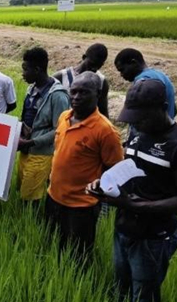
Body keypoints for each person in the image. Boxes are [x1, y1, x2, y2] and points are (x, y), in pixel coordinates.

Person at [87, 79, 177, 302]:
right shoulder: (138, 131)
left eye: (143, 116)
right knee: (121, 288)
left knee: (144, 298)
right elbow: (129, 170)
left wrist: (140, 207)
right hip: (124, 227)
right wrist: (103, 185)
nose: (137, 122)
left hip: (153, 237)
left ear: (163, 108)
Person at [45, 72, 124, 253]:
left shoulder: (105, 130)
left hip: (81, 205)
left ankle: (74, 281)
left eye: (84, 92)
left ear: (97, 94)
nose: (76, 97)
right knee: (52, 245)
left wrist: (101, 188)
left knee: (77, 255)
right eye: (73, 92)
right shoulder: (64, 117)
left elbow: (115, 169)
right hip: (54, 196)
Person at [17, 47, 70, 202]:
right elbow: (27, 117)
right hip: (26, 149)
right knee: (22, 188)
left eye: (26, 70)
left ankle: (31, 222)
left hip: (41, 153)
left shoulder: (58, 96)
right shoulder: (31, 89)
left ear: (37, 69)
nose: (23, 74)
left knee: (30, 197)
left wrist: (32, 142)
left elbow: (59, 129)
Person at [114, 48, 176, 118]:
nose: (121, 75)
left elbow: (141, 116)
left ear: (134, 63)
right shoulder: (161, 75)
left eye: (122, 70)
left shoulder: (143, 83)